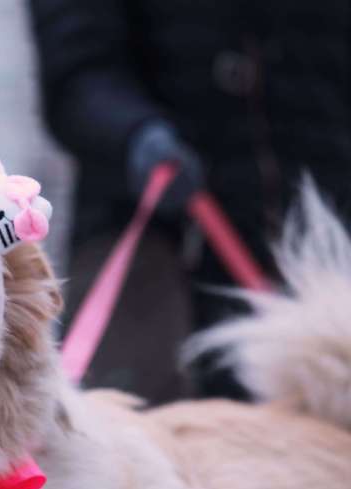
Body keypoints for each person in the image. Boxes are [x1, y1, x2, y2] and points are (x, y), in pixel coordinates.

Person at [28, 0, 351, 399]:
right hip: (153, 244)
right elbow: (75, 77)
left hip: (326, 239)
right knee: (136, 423)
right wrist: (134, 135)